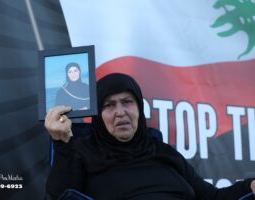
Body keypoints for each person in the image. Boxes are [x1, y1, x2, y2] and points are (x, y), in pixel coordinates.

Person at [45, 73, 255, 200]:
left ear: (139, 108)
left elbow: (211, 197)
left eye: (127, 102)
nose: (120, 112)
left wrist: (251, 186)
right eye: (109, 105)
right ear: (98, 115)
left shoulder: (163, 152)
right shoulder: (83, 153)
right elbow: (60, 196)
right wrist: (62, 144)